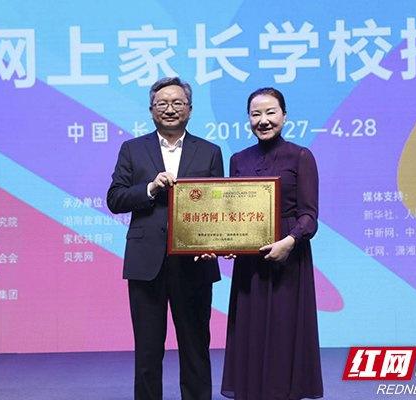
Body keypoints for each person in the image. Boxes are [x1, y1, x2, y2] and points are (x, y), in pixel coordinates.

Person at [107, 77, 223, 400]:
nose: (170, 109)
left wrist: (215, 245)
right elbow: (114, 198)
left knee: (196, 349)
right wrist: (150, 188)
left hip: (195, 263)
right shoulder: (132, 149)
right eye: (162, 103)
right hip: (147, 263)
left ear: (190, 109)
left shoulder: (210, 152)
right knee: (147, 352)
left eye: (177, 103)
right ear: (151, 110)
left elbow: (219, 206)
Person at [221, 87, 323, 399]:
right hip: (249, 259)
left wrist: (289, 242)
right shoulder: (238, 159)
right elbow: (232, 213)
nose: (263, 120)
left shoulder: (301, 156)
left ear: (284, 116)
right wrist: (227, 242)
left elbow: (309, 215)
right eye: (256, 114)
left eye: (270, 112)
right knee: (250, 330)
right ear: (248, 119)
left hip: (288, 256)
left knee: (284, 329)